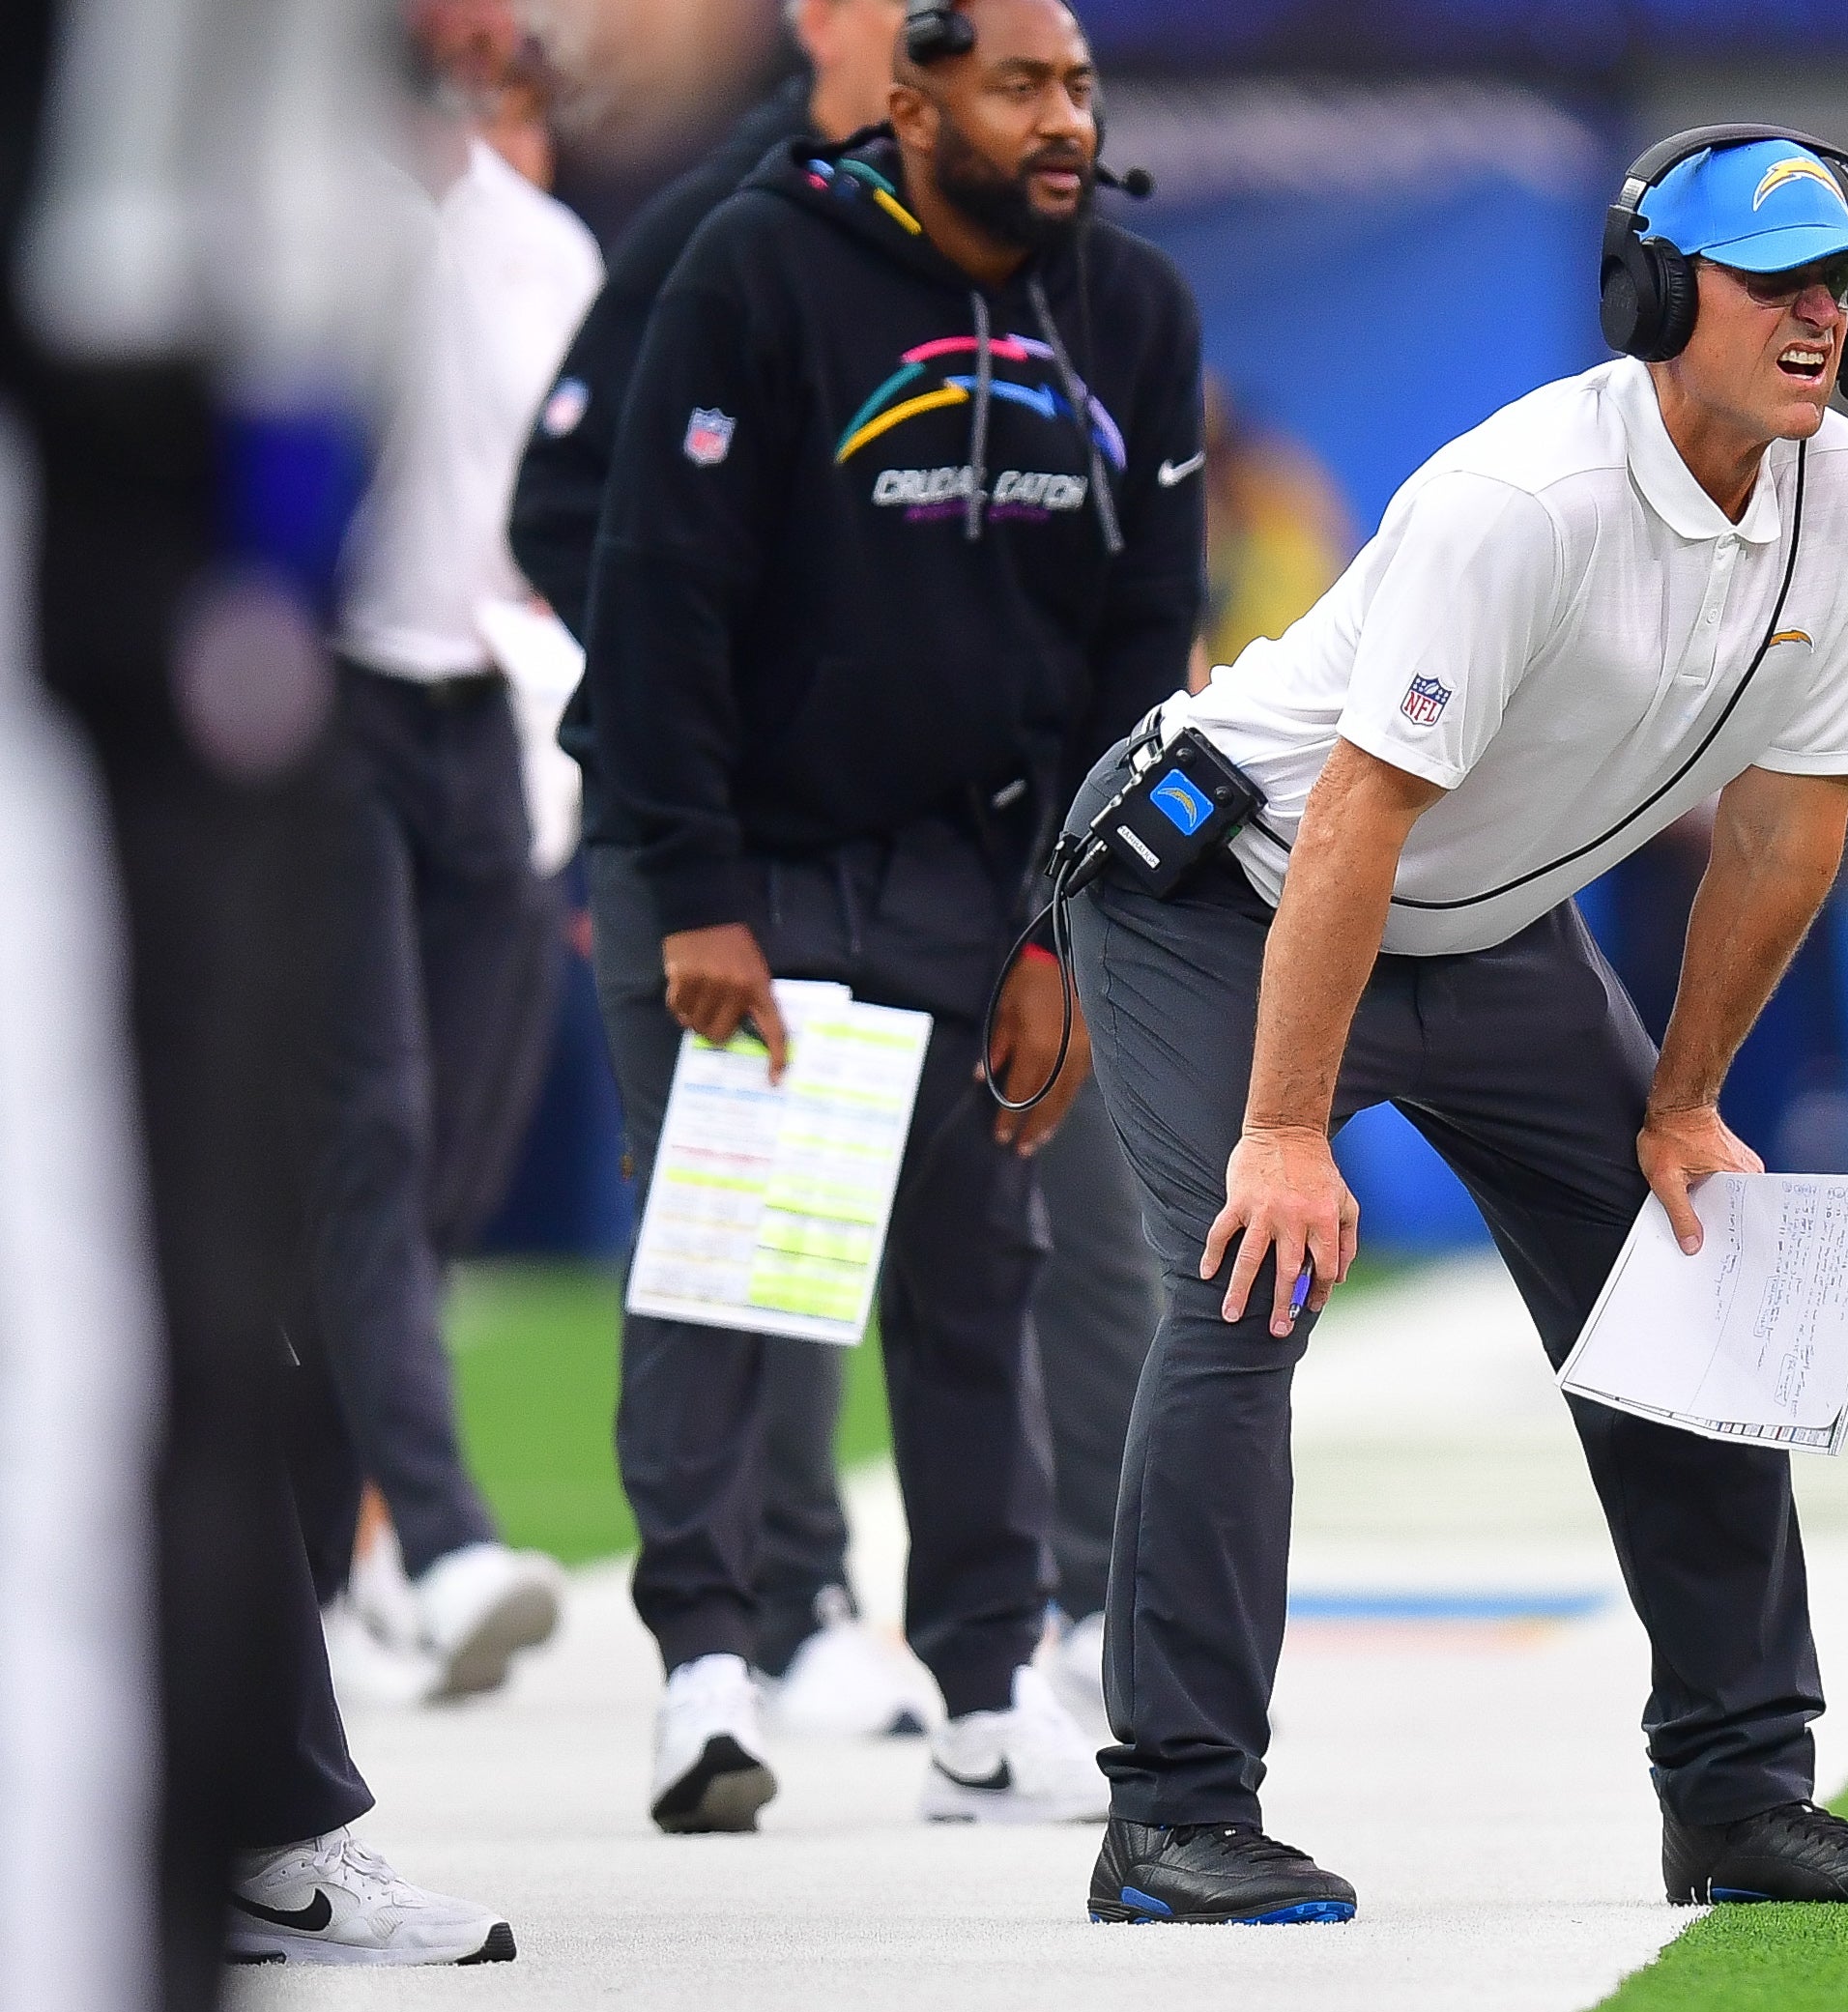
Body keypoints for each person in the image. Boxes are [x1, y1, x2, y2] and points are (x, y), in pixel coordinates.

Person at [1062, 129, 1848, 1924]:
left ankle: (1736, 1795)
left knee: (1680, 1279)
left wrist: (1685, 1099)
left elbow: (1792, 825)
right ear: (1652, 296)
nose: (1815, 314)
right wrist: (1289, 1129)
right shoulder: (1524, 498)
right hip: (1228, 891)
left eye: (1838, 283)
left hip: (1480, 925)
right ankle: (1171, 1814)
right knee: (1249, 1279)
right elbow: (1350, 823)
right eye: (1770, 279)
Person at [579, 0, 1202, 1833]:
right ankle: (706, 1676)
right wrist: (697, 895)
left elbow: (1133, 655)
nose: (1062, 117)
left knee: (975, 1274)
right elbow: (656, 597)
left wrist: (1062, 935)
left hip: (974, 864)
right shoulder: (757, 265)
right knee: (729, 1268)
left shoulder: (1135, 311)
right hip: (739, 860)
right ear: (912, 99)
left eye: (1079, 85)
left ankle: (992, 1697)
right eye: (1021, 85)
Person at [3, 0, 515, 2007]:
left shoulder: (414, 211)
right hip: (135, 636)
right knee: (135, 1326)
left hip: (264, 679)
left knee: (257, 1293)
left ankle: (255, 1817)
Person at [510, 0, 940, 1740]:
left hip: (915, 818)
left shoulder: (1009, 244)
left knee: (892, 1219)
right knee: (743, 1193)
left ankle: (928, 1610)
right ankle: (772, 1603)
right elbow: (561, 495)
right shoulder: (722, 216)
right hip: (720, 813)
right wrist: (703, 683)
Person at [287, 0, 603, 1704]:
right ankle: (445, 1528)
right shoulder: (317, 189)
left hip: (484, 715)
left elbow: (568, 522)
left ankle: (326, 1580)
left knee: (443, 1172)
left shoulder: (544, 247)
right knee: (371, 1124)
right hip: (326, 704)